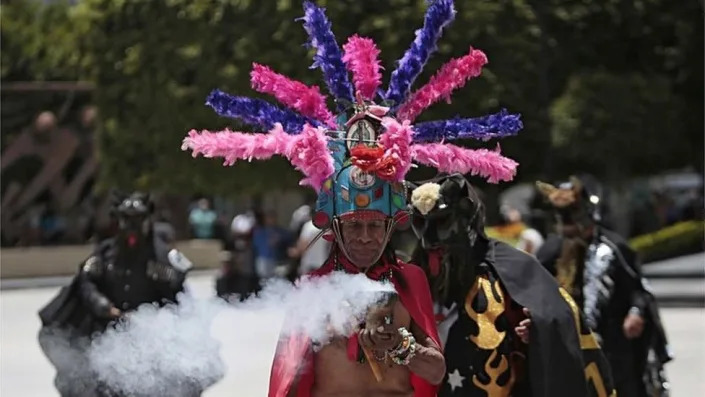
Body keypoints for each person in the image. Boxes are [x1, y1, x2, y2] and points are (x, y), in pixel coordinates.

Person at [37, 191, 207, 396]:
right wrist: (103, 306)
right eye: (126, 219)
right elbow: (86, 282)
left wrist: (155, 307)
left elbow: (179, 294)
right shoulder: (105, 253)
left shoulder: (165, 256)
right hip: (108, 333)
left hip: (150, 338)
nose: (132, 226)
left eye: (137, 219)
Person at [535, 176, 672, 397]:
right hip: (568, 346)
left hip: (614, 344)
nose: (571, 231)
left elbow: (639, 289)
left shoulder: (614, 247)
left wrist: (635, 313)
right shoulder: (550, 251)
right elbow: (535, 292)